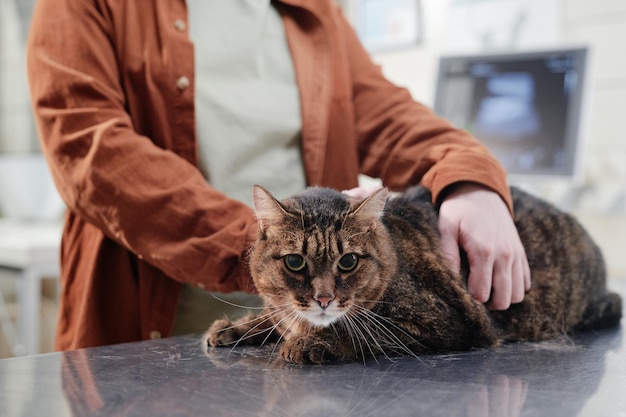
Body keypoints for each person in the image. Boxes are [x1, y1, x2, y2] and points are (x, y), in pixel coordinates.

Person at [26, 0, 530, 351]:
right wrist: (267, 249)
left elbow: (391, 116)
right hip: (144, 328)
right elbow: (87, 145)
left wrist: (470, 178)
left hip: (319, 336)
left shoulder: (313, 10)